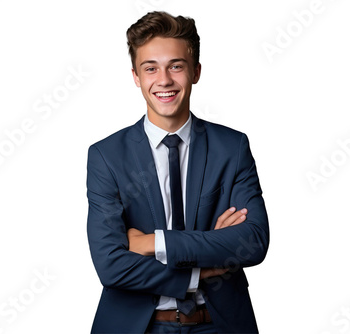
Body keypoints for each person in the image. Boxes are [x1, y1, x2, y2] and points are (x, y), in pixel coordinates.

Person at [86, 11, 269, 333]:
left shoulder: (232, 147)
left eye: (176, 66)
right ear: (136, 76)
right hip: (139, 326)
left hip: (220, 324)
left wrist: (151, 243)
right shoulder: (106, 156)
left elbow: (252, 242)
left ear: (195, 71)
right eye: (150, 68)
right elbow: (110, 265)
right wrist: (200, 268)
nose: (164, 80)